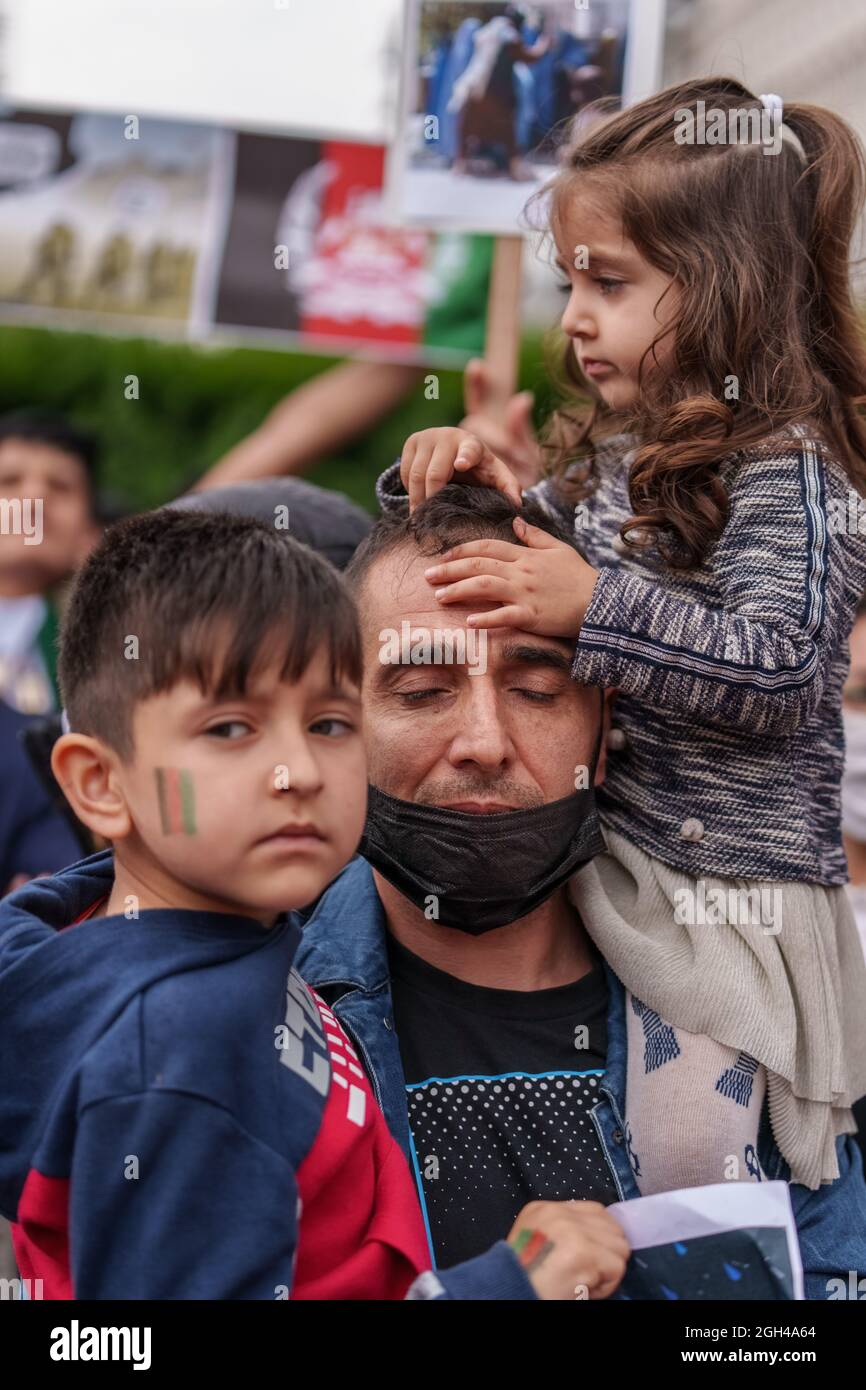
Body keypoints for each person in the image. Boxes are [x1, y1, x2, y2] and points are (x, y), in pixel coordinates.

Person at [378, 77, 866, 1198]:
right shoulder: (617, 458)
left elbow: (781, 665)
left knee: (700, 1167)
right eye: (568, 281)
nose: (572, 317)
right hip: (611, 866)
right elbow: (532, 567)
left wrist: (591, 608)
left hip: (724, 895)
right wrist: (465, 486)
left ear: (726, 291)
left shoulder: (791, 470)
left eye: (609, 281)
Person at [0, 508, 629, 1301]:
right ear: (99, 783)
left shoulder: (209, 938)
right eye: (231, 729)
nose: (297, 769)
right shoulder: (174, 1055)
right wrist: (510, 1286)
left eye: (329, 723)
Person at [295, 482, 866, 1297]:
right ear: (338, 729)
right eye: (422, 692)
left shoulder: (764, 1011)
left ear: (603, 735)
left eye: (537, 690)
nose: (485, 742)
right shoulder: (257, 1021)